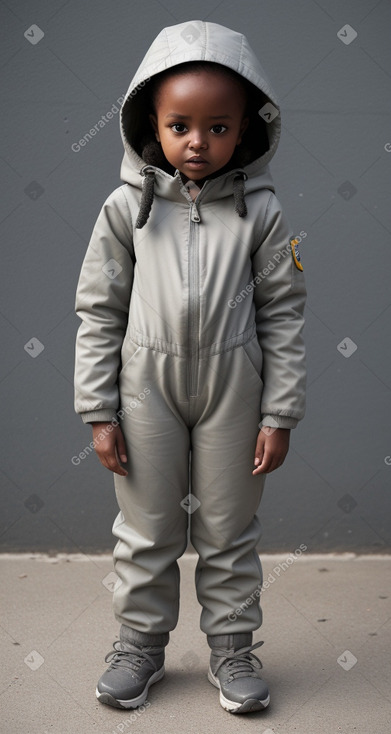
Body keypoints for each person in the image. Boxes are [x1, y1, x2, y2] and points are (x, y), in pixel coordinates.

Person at [74, 19, 306, 715]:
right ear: (151, 122)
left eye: (217, 127)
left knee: (228, 527)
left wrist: (279, 411)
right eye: (180, 125)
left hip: (233, 390)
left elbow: (284, 314)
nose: (197, 142)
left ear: (246, 131)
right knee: (145, 526)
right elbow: (98, 311)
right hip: (145, 388)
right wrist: (99, 409)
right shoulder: (125, 209)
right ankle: (140, 644)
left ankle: (232, 647)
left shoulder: (260, 213)